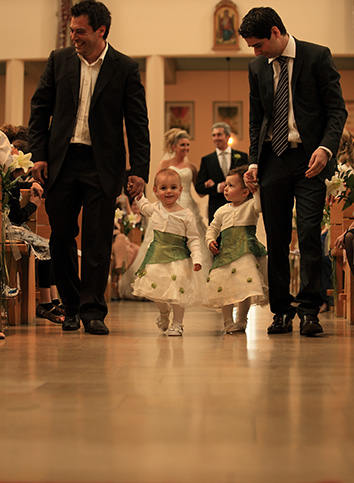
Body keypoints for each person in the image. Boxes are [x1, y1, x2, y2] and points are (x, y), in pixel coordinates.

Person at [28, 0, 150, 335]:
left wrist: (138, 169)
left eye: (80, 31)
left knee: (98, 241)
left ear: (101, 31)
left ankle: (92, 310)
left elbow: (138, 122)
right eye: (72, 31)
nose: (74, 37)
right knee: (61, 237)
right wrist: (38, 154)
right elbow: (39, 109)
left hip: (102, 165)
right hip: (61, 163)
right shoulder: (59, 60)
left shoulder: (124, 67)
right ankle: (70, 306)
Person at [238, 7, 347, 336]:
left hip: (311, 159)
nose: (256, 52)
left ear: (275, 32)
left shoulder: (317, 57)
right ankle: (281, 311)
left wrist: (326, 148)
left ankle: (311, 310)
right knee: (277, 237)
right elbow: (257, 119)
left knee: (311, 233)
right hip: (273, 160)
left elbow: (336, 110)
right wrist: (254, 160)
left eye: (258, 44)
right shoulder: (257, 67)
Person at [132, 169, 204, 336]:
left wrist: (197, 258)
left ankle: (178, 323)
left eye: (173, 187)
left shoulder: (186, 215)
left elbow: (193, 239)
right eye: (163, 188)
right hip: (157, 257)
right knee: (155, 289)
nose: (169, 191)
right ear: (156, 191)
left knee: (178, 292)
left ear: (180, 190)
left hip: (178, 258)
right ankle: (164, 312)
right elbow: (143, 207)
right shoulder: (155, 208)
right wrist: (138, 195)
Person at [206, 166, 268, 333]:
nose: (226, 189)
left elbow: (260, 206)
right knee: (224, 287)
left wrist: (255, 191)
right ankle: (227, 321)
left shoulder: (250, 207)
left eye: (231, 186)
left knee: (244, 287)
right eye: (226, 185)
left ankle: (242, 319)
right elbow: (212, 228)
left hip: (245, 254)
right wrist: (210, 240)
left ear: (245, 192)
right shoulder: (221, 211)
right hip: (225, 254)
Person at [159, 128, 212, 272]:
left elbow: (199, 191)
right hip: (170, 206)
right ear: (174, 146)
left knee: (193, 238)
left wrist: (207, 186)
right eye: (182, 145)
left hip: (189, 206)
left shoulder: (192, 167)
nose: (186, 148)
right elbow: (158, 186)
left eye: (188, 145)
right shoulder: (165, 164)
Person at [195, 122, 248, 223]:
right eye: (213, 135)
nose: (216, 138)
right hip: (216, 207)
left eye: (219, 134)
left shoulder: (242, 157)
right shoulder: (207, 160)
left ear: (228, 136)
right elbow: (199, 187)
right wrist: (217, 187)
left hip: (239, 207)